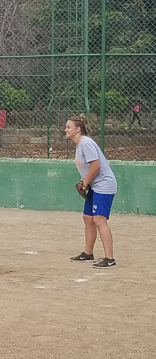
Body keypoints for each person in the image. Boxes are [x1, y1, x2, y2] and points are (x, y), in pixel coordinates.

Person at [65, 115, 118, 268]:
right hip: (95, 185)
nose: (65, 130)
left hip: (104, 185)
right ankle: (88, 253)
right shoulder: (79, 144)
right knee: (88, 218)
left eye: (68, 127)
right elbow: (88, 168)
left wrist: (85, 183)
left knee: (99, 220)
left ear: (78, 129)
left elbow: (96, 165)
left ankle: (109, 258)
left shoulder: (85, 143)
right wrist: (84, 182)